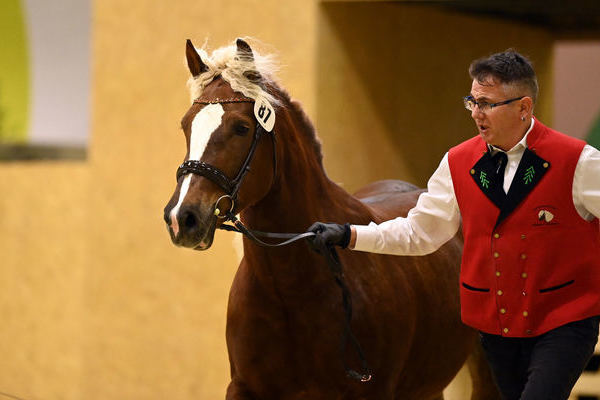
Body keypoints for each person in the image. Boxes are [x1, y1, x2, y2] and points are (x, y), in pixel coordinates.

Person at [309, 50, 600, 400]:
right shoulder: (457, 162)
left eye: (487, 104)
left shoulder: (578, 161)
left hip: (563, 322)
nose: (476, 113)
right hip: (496, 325)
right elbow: (420, 232)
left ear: (524, 107)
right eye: (472, 101)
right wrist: (349, 235)